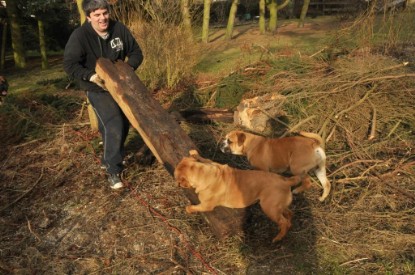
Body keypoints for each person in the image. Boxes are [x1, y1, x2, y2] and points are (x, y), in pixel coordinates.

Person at [63, 0, 143, 190]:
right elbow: (70, 64)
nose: (102, 18)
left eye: (104, 13)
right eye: (97, 15)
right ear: (89, 17)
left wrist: (128, 69)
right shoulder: (80, 36)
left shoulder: (119, 29)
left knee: (123, 123)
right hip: (96, 87)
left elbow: (136, 52)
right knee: (113, 122)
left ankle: (111, 156)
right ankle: (112, 169)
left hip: (119, 85)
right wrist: (90, 76)